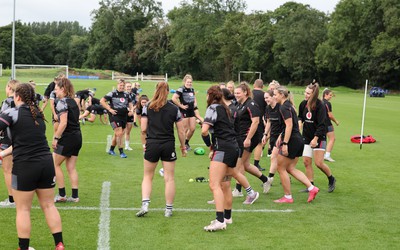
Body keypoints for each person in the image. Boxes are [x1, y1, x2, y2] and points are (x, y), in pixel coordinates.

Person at [0, 83, 64, 250]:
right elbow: (23, 142)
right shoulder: (38, 114)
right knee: (49, 205)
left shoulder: (12, 113)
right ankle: (59, 244)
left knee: (23, 210)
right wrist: (2, 154)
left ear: (18, 97)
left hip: (25, 166)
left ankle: (23, 247)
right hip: (46, 163)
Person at [136, 82, 187, 218]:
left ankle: (145, 204)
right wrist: (183, 147)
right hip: (168, 145)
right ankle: (168, 209)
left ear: (155, 90)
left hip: (152, 143)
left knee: (148, 176)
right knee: (169, 178)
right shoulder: (174, 109)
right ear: (169, 91)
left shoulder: (148, 107)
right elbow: (181, 131)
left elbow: (143, 128)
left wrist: (146, 139)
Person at [201, 86, 240, 231]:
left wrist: (209, 144)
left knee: (214, 184)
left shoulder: (213, 108)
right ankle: (227, 217)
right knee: (225, 185)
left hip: (223, 148)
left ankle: (219, 220)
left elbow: (204, 130)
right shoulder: (226, 108)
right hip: (233, 147)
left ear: (210, 95)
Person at [273, 86, 319, 203]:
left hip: (292, 141)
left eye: (275, 94)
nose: (274, 97)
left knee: (281, 167)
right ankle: (312, 188)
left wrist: (285, 143)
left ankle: (288, 197)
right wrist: (280, 136)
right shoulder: (288, 105)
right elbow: (289, 125)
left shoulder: (284, 107)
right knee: (290, 168)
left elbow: (289, 126)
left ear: (282, 95)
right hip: (298, 139)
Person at [231, 82, 269, 200]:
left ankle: (239, 190)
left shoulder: (251, 104)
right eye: (235, 93)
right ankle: (265, 180)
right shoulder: (239, 104)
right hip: (241, 137)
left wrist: (248, 139)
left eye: (238, 93)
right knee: (246, 165)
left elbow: (256, 122)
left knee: (239, 164)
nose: (236, 95)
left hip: (249, 138)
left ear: (245, 92)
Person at [298, 82, 336, 193]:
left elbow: (322, 124)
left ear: (314, 94)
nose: (306, 94)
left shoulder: (320, 106)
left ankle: (331, 178)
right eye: (305, 92)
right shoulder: (303, 104)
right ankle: (311, 185)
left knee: (318, 163)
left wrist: (315, 139)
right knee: (306, 161)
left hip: (319, 137)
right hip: (306, 136)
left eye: (308, 93)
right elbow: (300, 116)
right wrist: (300, 122)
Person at [53, 78, 83, 203]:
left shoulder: (62, 102)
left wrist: (56, 137)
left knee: (54, 164)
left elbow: (63, 122)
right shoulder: (73, 101)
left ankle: (61, 195)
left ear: (63, 89)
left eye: (56, 89)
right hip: (77, 136)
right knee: (71, 167)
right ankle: (75, 196)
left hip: (68, 137)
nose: (54, 92)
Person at [100, 79, 134, 158]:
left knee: (118, 134)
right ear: (117, 85)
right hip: (114, 116)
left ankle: (111, 149)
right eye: (120, 85)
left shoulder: (126, 94)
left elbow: (130, 103)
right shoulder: (112, 93)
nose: (122, 87)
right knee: (119, 134)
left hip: (124, 116)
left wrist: (131, 110)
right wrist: (110, 109)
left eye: (123, 85)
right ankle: (121, 152)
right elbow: (102, 101)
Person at [0, 79, 20, 207]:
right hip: (19, 138)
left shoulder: (7, 102)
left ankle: (12, 199)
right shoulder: (22, 102)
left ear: (9, 88)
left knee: (7, 169)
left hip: (7, 138)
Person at [172, 74, 202, 150]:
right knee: (184, 129)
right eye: (188, 82)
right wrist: (181, 106)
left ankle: (186, 142)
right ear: (185, 81)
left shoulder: (192, 89)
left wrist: (195, 103)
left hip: (191, 111)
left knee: (192, 129)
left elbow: (194, 97)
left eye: (190, 82)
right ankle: (183, 146)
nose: (189, 83)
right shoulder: (181, 89)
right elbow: (174, 98)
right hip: (184, 111)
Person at [261, 90, 284, 193]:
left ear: (273, 97)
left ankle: (269, 180)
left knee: (277, 159)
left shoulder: (281, 108)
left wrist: (282, 136)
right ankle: (270, 179)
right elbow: (269, 121)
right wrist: (265, 134)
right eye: (265, 98)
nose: (266, 100)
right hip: (274, 136)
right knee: (275, 159)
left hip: (283, 136)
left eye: (267, 97)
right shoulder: (268, 108)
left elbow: (287, 124)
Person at [252, 79, 267, 171]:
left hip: (247, 120)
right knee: (259, 143)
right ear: (263, 86)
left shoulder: (249, 93)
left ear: (254, 85)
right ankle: (256, 164)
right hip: (259, 120)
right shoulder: (264, 95)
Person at [322, 88, 339, 162]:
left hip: (320, 124)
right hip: (327, 123)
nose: (331, 97)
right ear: (325, 95)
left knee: (321, 139)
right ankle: (327, 155)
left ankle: (320, 154)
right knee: (332, 138)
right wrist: (336, 121)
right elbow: (330, 115)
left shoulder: (320, 102)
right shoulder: (327, 103)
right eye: (330, 95)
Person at [124, 82, 137, 151]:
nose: (129, 88)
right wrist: (127, 109)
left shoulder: (133, 95)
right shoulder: (122, 95)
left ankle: (127, 146)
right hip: (123, 114)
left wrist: (132, 110)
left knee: (128, 131)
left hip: (131, 114)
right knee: (121, 131)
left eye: (129, 86)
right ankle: (119, 146)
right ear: (125, 87)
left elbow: (136, 103)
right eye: (127, 86)